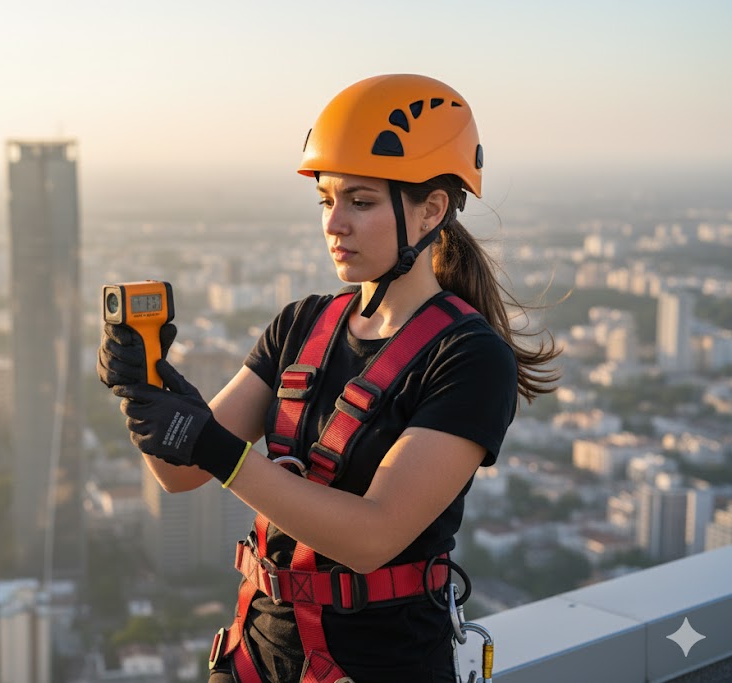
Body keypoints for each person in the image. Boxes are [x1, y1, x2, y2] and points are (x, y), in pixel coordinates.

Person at [98, 74, 559, 683]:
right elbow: (178, 474)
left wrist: (212, 444)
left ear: (432, 210)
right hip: (254, 658)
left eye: (361, 202)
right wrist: (147, 392)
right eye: (326, 200)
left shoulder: (469, 359)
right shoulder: (302, 325)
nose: (333, 224)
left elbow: (372, 537)